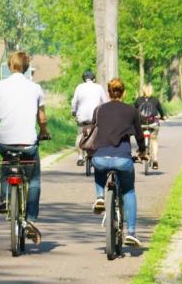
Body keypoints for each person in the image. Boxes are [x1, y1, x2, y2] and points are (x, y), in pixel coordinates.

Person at [0, 51, 51, 244]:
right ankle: (30, 218)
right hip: (28, 143)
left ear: (9, 65)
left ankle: (6, 199)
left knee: (7, 167)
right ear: (27, 67)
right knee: (34, 179)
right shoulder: (35, 88)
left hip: (6, 142)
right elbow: (42, 118)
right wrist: (44, 131)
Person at [91, 78, 146, 247]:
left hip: (100, 157)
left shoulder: (99, 110)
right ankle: (131, 232)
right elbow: (139, 135)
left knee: (100, 168)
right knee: (128, 191)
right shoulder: (131, 111)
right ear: (124, 92)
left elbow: (94, 131)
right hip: (123, 159)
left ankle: (100, 197)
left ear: (109, 92)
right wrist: (142, 151)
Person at [71, 69, 108, 166]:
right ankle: (98, 154)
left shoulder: (79, 87)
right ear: (93, 78)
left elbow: (74, 102)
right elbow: (105, 102)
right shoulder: (99, 87)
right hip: (96, 118)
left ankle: (80, 156)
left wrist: (74, 112)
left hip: (82, 118)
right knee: (98, 134)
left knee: (80, 134)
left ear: (84, 79)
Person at [134, 84, 166, 170]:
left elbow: (134, 111)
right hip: (153, 123)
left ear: (143, 91)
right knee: (154, 139)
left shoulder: (138, 100)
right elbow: (161, 111)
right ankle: (155, 161)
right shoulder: (155, 100)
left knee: (139, 137)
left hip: (141, 124)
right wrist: (163, 117)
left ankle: (141, 151)